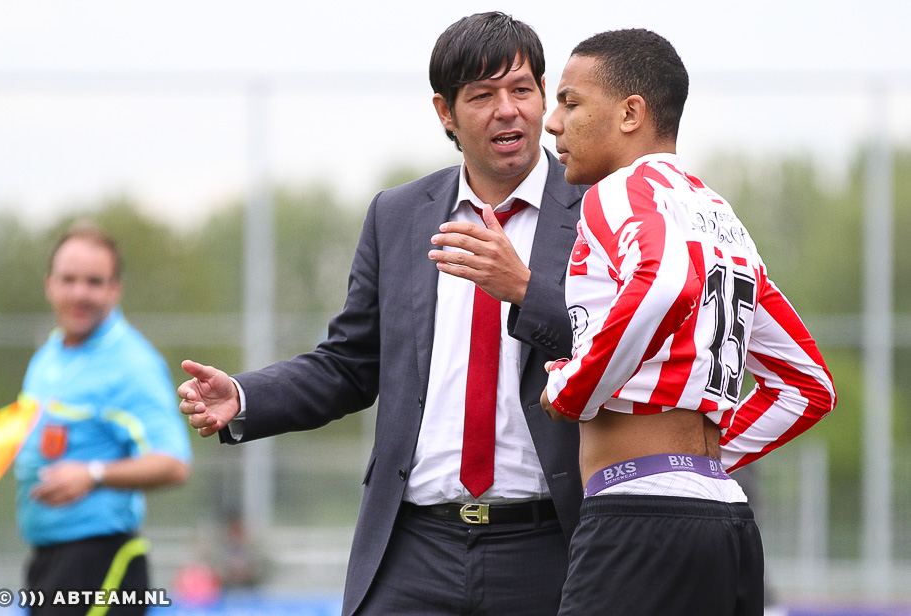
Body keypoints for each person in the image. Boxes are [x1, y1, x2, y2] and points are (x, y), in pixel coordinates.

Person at [178, 11, 585, 616]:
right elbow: (349, 364)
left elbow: (625, 349)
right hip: (415, 549)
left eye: (521, 89)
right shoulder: (398, 216)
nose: (508, 110)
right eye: (483, 95)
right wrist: (244, 396)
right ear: (445, 112)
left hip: (550, 547)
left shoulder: (599, 211)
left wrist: (526, 290)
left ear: (543, 94)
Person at [541, 29, 836, 615]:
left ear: (630, 114)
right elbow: (807, 385)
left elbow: (666, 280)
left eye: (570, 103)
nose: (553, 123)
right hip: (725, 518)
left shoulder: (621, 190)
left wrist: (569, 387)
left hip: (637, 519)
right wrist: (703, 462)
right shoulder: (721, 216)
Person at [15, 221, 192, 615]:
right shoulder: (48, 356)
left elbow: (174, 464)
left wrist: (92, 474)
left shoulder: (132, 365)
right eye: (69, 279)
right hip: (46, 562)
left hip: (101, 567)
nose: (80, 293)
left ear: (115, 289)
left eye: (94, 282)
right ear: (49, 284)